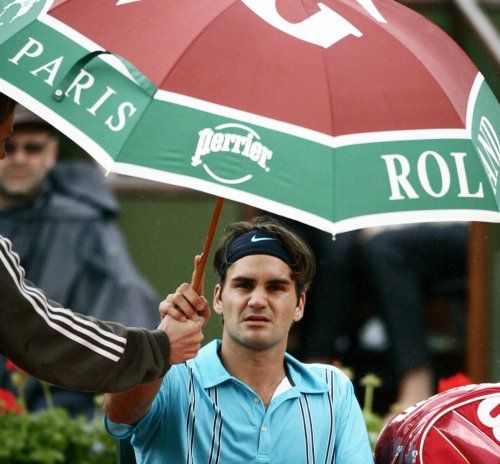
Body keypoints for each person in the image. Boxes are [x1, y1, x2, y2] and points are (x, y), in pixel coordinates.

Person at [104, 217, 373, 463]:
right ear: (218, 298)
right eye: (244, 285)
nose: (257, 301)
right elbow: (118, 415)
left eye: (275, 288)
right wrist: (161, 345)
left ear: (299, 305)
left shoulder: (333, 388)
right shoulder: (173, 377)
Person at [0, 93, 203, 395]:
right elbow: (35, 329)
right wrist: (157, 347)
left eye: (31, 148)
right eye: (7, 144)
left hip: (61, 398)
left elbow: (124, 299)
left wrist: (155, 348)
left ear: (52, 153)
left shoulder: (81, 222)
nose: (12, 157)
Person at [359, 223, 468, 413]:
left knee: (384, 247)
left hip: (469, 226)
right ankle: (321, 379)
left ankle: (416, 382)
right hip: (398, 229)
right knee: (339, 247)